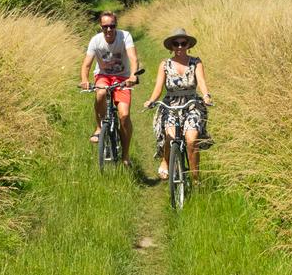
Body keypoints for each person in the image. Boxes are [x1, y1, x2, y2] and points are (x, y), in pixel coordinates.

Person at [146, 28, 213, 182]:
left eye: (183, 43)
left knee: (191, 139)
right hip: (171, 105)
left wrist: (206, 96)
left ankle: (196, 179)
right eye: (176, 44)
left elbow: (201, 82)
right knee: (170, 138)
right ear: (172, 47)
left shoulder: (196, 62)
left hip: (192, 105)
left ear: (188, 45)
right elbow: (158, 88)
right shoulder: (165, 64)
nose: (180, 47)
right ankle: (166, 160)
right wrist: (151, 100)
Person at [78, 11, 140, 161]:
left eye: (112, 26)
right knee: (100, 93)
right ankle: (99, 128)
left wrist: (133, 75)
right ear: (101, 27)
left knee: (124, 116)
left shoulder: (125, 36)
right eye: (105, 26)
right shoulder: (95, 41)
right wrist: (85, 80)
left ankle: (125, 156)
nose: (109, 30)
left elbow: (133, 58)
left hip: (123, 78)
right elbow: (86, 65)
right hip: (103, 76)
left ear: (116, 26)